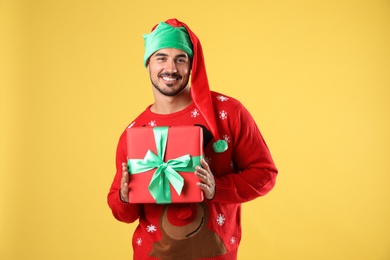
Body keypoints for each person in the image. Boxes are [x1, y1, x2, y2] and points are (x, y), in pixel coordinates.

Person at [107, 18, 278, 260]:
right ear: (148, 64)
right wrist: (125, 196)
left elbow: (265, 174)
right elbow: (122, 212)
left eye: (180, 59)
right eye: (161, 58)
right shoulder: (135, 132)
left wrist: (218, 188)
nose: (171, 68)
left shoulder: (228, 112)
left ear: (192, 65)